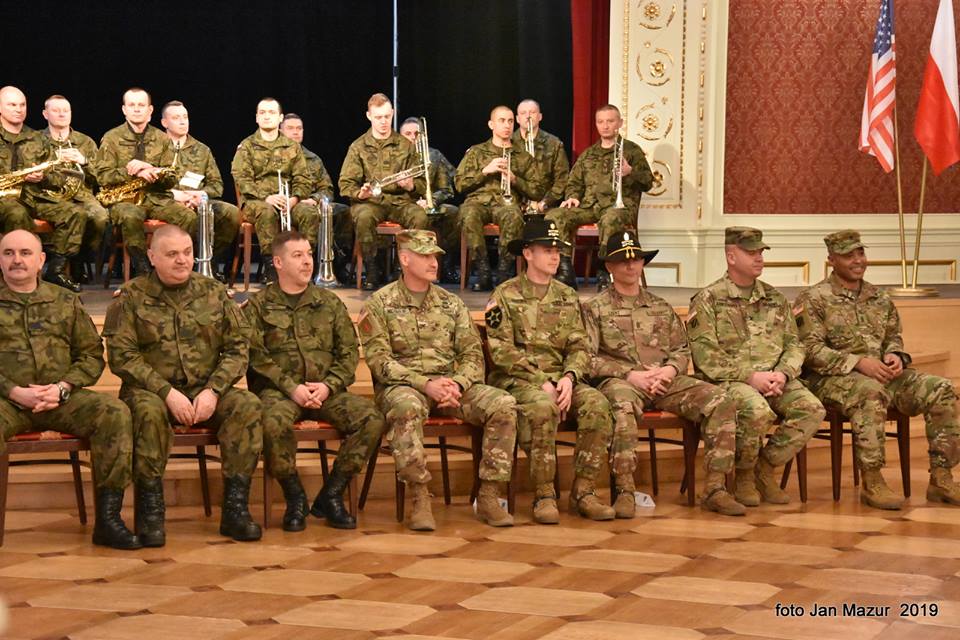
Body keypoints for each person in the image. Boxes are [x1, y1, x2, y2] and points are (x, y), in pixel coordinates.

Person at [103, 224, 262, 545]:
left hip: (205, 390)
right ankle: (151, 512)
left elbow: (238, 349)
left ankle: (235, 510)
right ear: (152, 257)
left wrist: (214, 390)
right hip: (150, 392)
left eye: (187, 253)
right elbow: (122, 356)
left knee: (247, 405)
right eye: (172, 254)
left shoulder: (214, 292)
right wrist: (166, 393)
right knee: (147, 411)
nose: (182, 260)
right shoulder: (131, 297)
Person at [358, 230, 517, 530]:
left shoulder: (451, 303)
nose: (433, 262)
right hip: (405, 387)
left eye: (435, 256)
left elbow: (473, 354)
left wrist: (457, 383)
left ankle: (488, 494)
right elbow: (380, 363)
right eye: (425, 256)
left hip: (450, 387)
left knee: (503, 404)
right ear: (405, 259)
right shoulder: (379, 303)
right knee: (406, 408)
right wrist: (424, 384)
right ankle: (419, 496)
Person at [581, 231, 742, 517]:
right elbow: (588, 358)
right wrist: (630, 375)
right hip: (623, 382)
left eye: (636, 259)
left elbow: (682, 349)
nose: (631, 265)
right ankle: (625, 490)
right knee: (621, 404)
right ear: (609, 266)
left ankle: (715, 489)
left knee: (721, 399)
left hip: (666, 382)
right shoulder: (595, 308)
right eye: (623, 260)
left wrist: (668, 370)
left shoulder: (660, 306)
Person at [797, 230, 960, 509]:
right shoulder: (814, 298)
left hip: (883, 374)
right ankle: (872, 481)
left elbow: (893, 336)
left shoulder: (879, 297)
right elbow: (810, 351)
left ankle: (942, 477)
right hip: (832, 378)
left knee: (941, 388)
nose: (858, 260)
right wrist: (858, 362)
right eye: (849, 255)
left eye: (860, 253)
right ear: (832, 259)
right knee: (869, 392)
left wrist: (894, 355)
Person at [0, 230, 139, 549]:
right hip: (7, 402)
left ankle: (109, 520)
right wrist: (13, 391)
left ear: (41, 260)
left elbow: (91, 355)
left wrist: (63, 387)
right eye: (9, 253)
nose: (17, 260)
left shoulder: (65, 301)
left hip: (61, 400)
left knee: (114, 413)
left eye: (25, 253)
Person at [245, 230, 386, 530]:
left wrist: (328, 385)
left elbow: (349, 353)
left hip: (326, 391)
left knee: (371, 418)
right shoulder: (259, 305)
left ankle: (332, 494)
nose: (307, 261)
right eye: (298, 256)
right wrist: (291, 388)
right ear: (278, 263)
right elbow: (255, 357)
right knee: (270, 421)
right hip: (279, 392)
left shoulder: (329, 302)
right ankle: (294, 496)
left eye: (309, 254)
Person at [485, 218, 615, 523]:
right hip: (519, 380)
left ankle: (584, 492)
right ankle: (544, 494)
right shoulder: (505, 294)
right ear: (527, 253)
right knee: (543, 406)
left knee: (597, 404)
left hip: (561, 378)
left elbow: (580, 346)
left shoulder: (567, 296)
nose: (555, 256)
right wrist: (541, 380)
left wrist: (570, 378)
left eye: (557, 250)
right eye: (547, 250)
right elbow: (501, 351)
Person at [687, 227, 825, 507]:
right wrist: (750, 377)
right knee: (757, 410)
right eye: (751, 252)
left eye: (761, 252)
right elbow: (705, 356)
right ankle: (744, 476)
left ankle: (764, 467)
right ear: (731, 256)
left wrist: (783, 373)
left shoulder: (775, 298)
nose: (759, 257)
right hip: (731, 381)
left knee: (812, 409)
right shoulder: (708, 299)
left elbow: (795, 345)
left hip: (776, 379)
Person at [546, 104, 653, 290]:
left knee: (610, 219)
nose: (605, 126)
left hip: (619, 208)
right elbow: (574, 182)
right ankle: (565, 271)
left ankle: (605, 273)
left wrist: (630, 172)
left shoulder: (631, 150)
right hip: (590, 207)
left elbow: (648, 182)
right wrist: (572, 197)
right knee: (555, 215)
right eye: (600, 122)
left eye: (610, 121)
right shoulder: (588, 154)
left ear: (620, 123)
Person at [92, 87, 193, 277]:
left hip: (156, 197)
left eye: (141, 105)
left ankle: (176, 267)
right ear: (124, 109)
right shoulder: (112, 138)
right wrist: (134, 172)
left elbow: (172, 177)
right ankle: (143, 270)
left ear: (150, 110)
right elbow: (102, 176)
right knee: (131, 216)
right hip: (124, 200)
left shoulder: (162, 138)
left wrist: (152, 170)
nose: (137, 109)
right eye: (132, 105)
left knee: (188, 217)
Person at [339, 93, 428, 290]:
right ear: (369, 116)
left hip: (400, 202)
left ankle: (404, 269)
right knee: (364, 217)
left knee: (419, 216)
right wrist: (360, 193)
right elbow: (345, 184)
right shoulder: (358, 146)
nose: (383, 121)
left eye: (387, 116)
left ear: (393, 113)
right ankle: (372, 269)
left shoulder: (405, 145)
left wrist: (411, 185)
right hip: (370, 202)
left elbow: (422, 184)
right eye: (378, 117)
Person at [0, 86, 86, 291]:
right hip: (5, 199)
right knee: (16, 214)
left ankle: (54, 271)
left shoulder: (37, 138)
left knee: (75, 213)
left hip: (34, 197)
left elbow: (58, 177)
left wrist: (43, 176)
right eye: (12, 104)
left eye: (22, 105)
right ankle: (15, 274)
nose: (18, 109)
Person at [457, 105, 543, 291]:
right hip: (478, 203)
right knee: (468, 214)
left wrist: (515, 179)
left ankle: (504, 272)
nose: (507, 125)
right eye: (502, 121)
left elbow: (537, 191)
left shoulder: (523, 156)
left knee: (513, 216)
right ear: (491, 124)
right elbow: (459, 184)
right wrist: (484, 171)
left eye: (510, 121)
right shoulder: (477, 152)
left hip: (507, 204)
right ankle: (483, 272)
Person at [231, 97, 316, 284]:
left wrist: (294, 199)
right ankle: (272, 270)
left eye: (271, 112)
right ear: (256, 118)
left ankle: (305, 265)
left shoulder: (292, 146)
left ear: (280, 118)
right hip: (256, 202)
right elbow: (242, 179)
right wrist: (266, 197)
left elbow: (303, 179)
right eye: (262, 113)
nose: (267, 116)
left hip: (288, 201)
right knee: (266, 211)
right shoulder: (246, 146)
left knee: (308, 212)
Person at [160, 100, 240, 280]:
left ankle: (209, 263)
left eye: (185, 117)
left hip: (198, 202)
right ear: (164, 122)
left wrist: (201, 195)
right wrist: (176, 196)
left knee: (231, 213)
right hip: (166, 201)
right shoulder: (155, 147)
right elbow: (147, 184)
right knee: (186, 216)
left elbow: (216, 185)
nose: (183, 121)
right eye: (176, 118)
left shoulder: (202, 150)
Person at [41, 94, 110, 284]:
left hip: (81, 195)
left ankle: (78, 257)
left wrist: (84, 161)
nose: (62, 114)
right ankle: (61, 261)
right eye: (56, 110)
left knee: (100, 217)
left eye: (66, 110)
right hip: (50, 196)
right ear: (45, 114)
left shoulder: (85, 141)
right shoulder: (37, 140)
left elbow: (101, 177)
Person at [279, 113, 353, 284]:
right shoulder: (276, 157)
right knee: (308, 213)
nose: (295, 132)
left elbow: (327, 189)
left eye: (299, 128)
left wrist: (315, 199)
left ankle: (338, 263)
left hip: (312, 203)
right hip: (288, 205)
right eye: (290, 128)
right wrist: (295, 200)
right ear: (281, 131)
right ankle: (307, 266)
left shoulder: (313, 159)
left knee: (345, 211)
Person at [399, 116, 460, 283]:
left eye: (416, 134)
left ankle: (446, 265)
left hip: (430, 205)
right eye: (407, 134)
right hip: (403, 206)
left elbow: (446, 189)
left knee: (455, 213)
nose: (412, 137)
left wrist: (430, 200)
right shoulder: (394, 156)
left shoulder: (434, 155)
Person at [512, 99, 569, 213]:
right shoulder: (508, 142)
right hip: (514, 207)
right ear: (517, 119)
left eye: (532, 112)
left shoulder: (554, 143)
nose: (528, 116)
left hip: (546, 207)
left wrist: (545, 203)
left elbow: (562, 179)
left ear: (540, 116)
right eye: (523, 113)